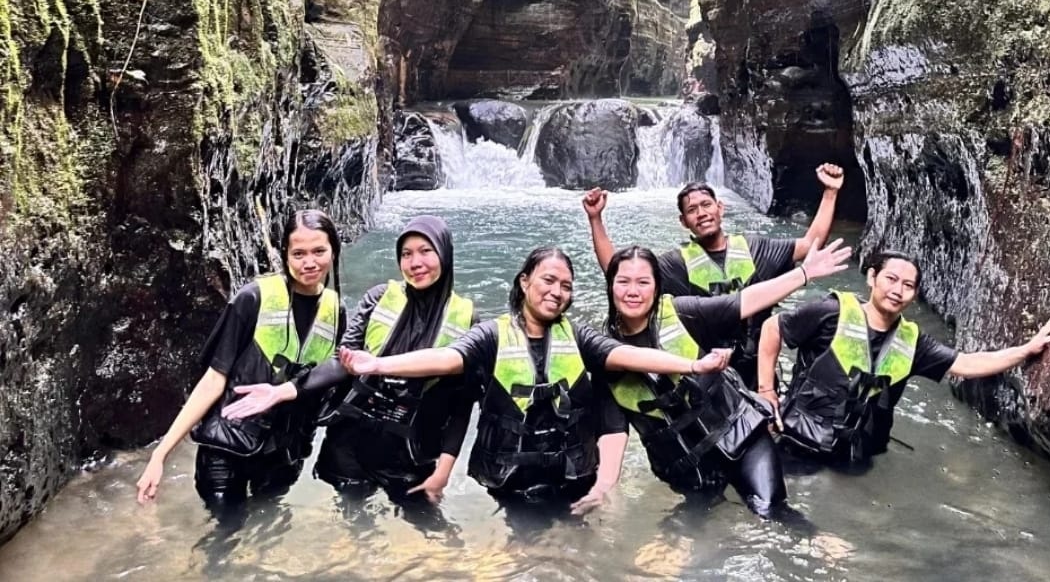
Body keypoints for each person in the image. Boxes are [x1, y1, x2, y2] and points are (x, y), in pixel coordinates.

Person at [338, 246, 733, 515]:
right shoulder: (491, 334)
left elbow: (626, 354)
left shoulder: (578, 336)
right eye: (548, 281)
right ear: (525, 282)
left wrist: (693, 366)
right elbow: (445, 358)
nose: (556, 291)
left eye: (565, 285)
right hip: (510, 479)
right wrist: (377, 365)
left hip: (572, 475)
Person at [221, 216, 476, 507]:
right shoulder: (379, 298)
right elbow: (340, 361)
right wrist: (282, 391)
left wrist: (443, 473)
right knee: (354, 531)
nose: (415, 262)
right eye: (406, 254)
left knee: (426, 534)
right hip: (352, 443)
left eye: (425, 251)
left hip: (411, 452)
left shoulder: (467, 320)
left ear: (444, 252)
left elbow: (461, 406)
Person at [599, 237, 852, 516]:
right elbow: (612, 430)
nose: (633, 291)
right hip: (687, 466)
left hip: (742, 435)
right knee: (689, 539)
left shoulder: (683, 312)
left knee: (772, 514)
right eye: (623, 282)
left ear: (657, 287)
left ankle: (816, 543)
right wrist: (603, 488)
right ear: (610, 285)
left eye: (643, 282)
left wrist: (804, 273)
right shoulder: (603, 353)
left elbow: (741, 302)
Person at [756, 250, 1050, 463]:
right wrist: (766, 392)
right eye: (891, 279)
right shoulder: (830, 312)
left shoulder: (913, 343)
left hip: (857, 451)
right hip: (798, 439)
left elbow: (967, 364)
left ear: (914, 295)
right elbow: (772, 328)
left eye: (908, 285)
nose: (897, 290)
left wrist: (1025, 350)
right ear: (872, 278)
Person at [135, 209, 346, 509]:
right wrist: (160, 455)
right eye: (298, 253)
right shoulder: (253, 298)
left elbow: (329, 378)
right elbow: (212, 380)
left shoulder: (336, 312)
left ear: (334, 250)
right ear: (284, 254)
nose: (309, 262)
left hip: (284, 455)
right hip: (226, 449)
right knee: (223, 540)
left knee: (265, 536)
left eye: (318, 251)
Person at [584, 163, 844, 387]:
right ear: (683, 221)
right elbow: (617, 273)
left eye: (706, 205)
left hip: (756, 368)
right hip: (707, 370)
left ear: (720, 208)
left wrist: (830, 193)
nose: (701, 213)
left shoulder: (757, 249)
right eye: (692, 210)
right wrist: (596, 219)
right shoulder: (676, 264)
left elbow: (810, 246)